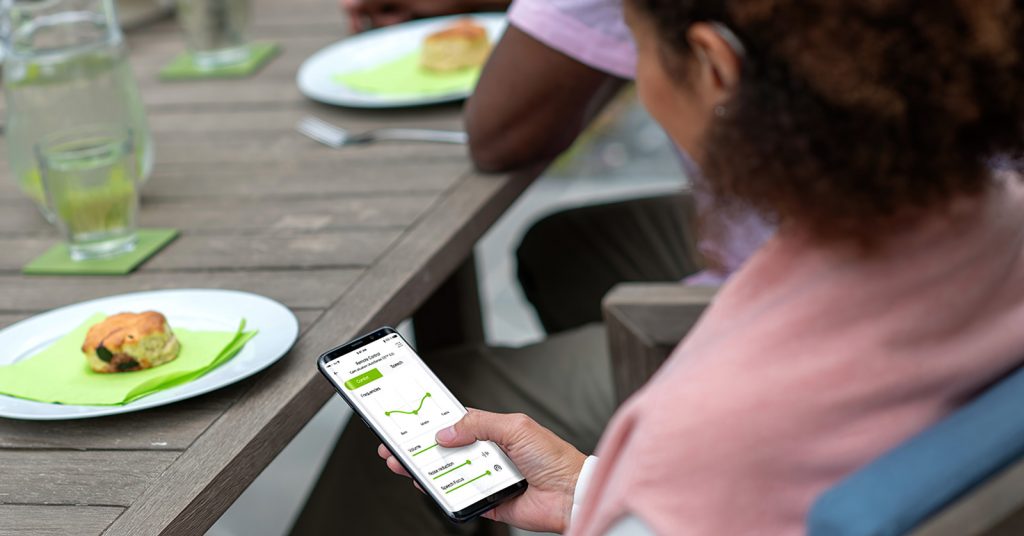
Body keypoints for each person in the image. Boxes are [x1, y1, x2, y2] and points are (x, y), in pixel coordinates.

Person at [373, 0, 1024, 534]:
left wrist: (629, 502)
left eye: (635, 42)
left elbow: (692, 487)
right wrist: (587, 486)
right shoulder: (1001, 216)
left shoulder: (686, 450)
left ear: (714, 67)